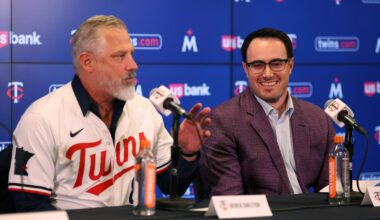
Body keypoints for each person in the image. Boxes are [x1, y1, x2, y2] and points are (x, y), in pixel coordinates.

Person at [7, 15, 211, 211]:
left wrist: (187, 153)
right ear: (87, 62)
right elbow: (30, 207)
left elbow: (172, 188)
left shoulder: (144, 109)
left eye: (131, 54)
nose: (133, 65)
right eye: (120, 56)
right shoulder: (41, 118)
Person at [199, 28, 335, 196]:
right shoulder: (223, 121)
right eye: (258, 65)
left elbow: (333, 193)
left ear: (290, 65)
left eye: (276, 63)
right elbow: (230, 201)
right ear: (246, 69)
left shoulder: (317, 118)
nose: (268, 74)